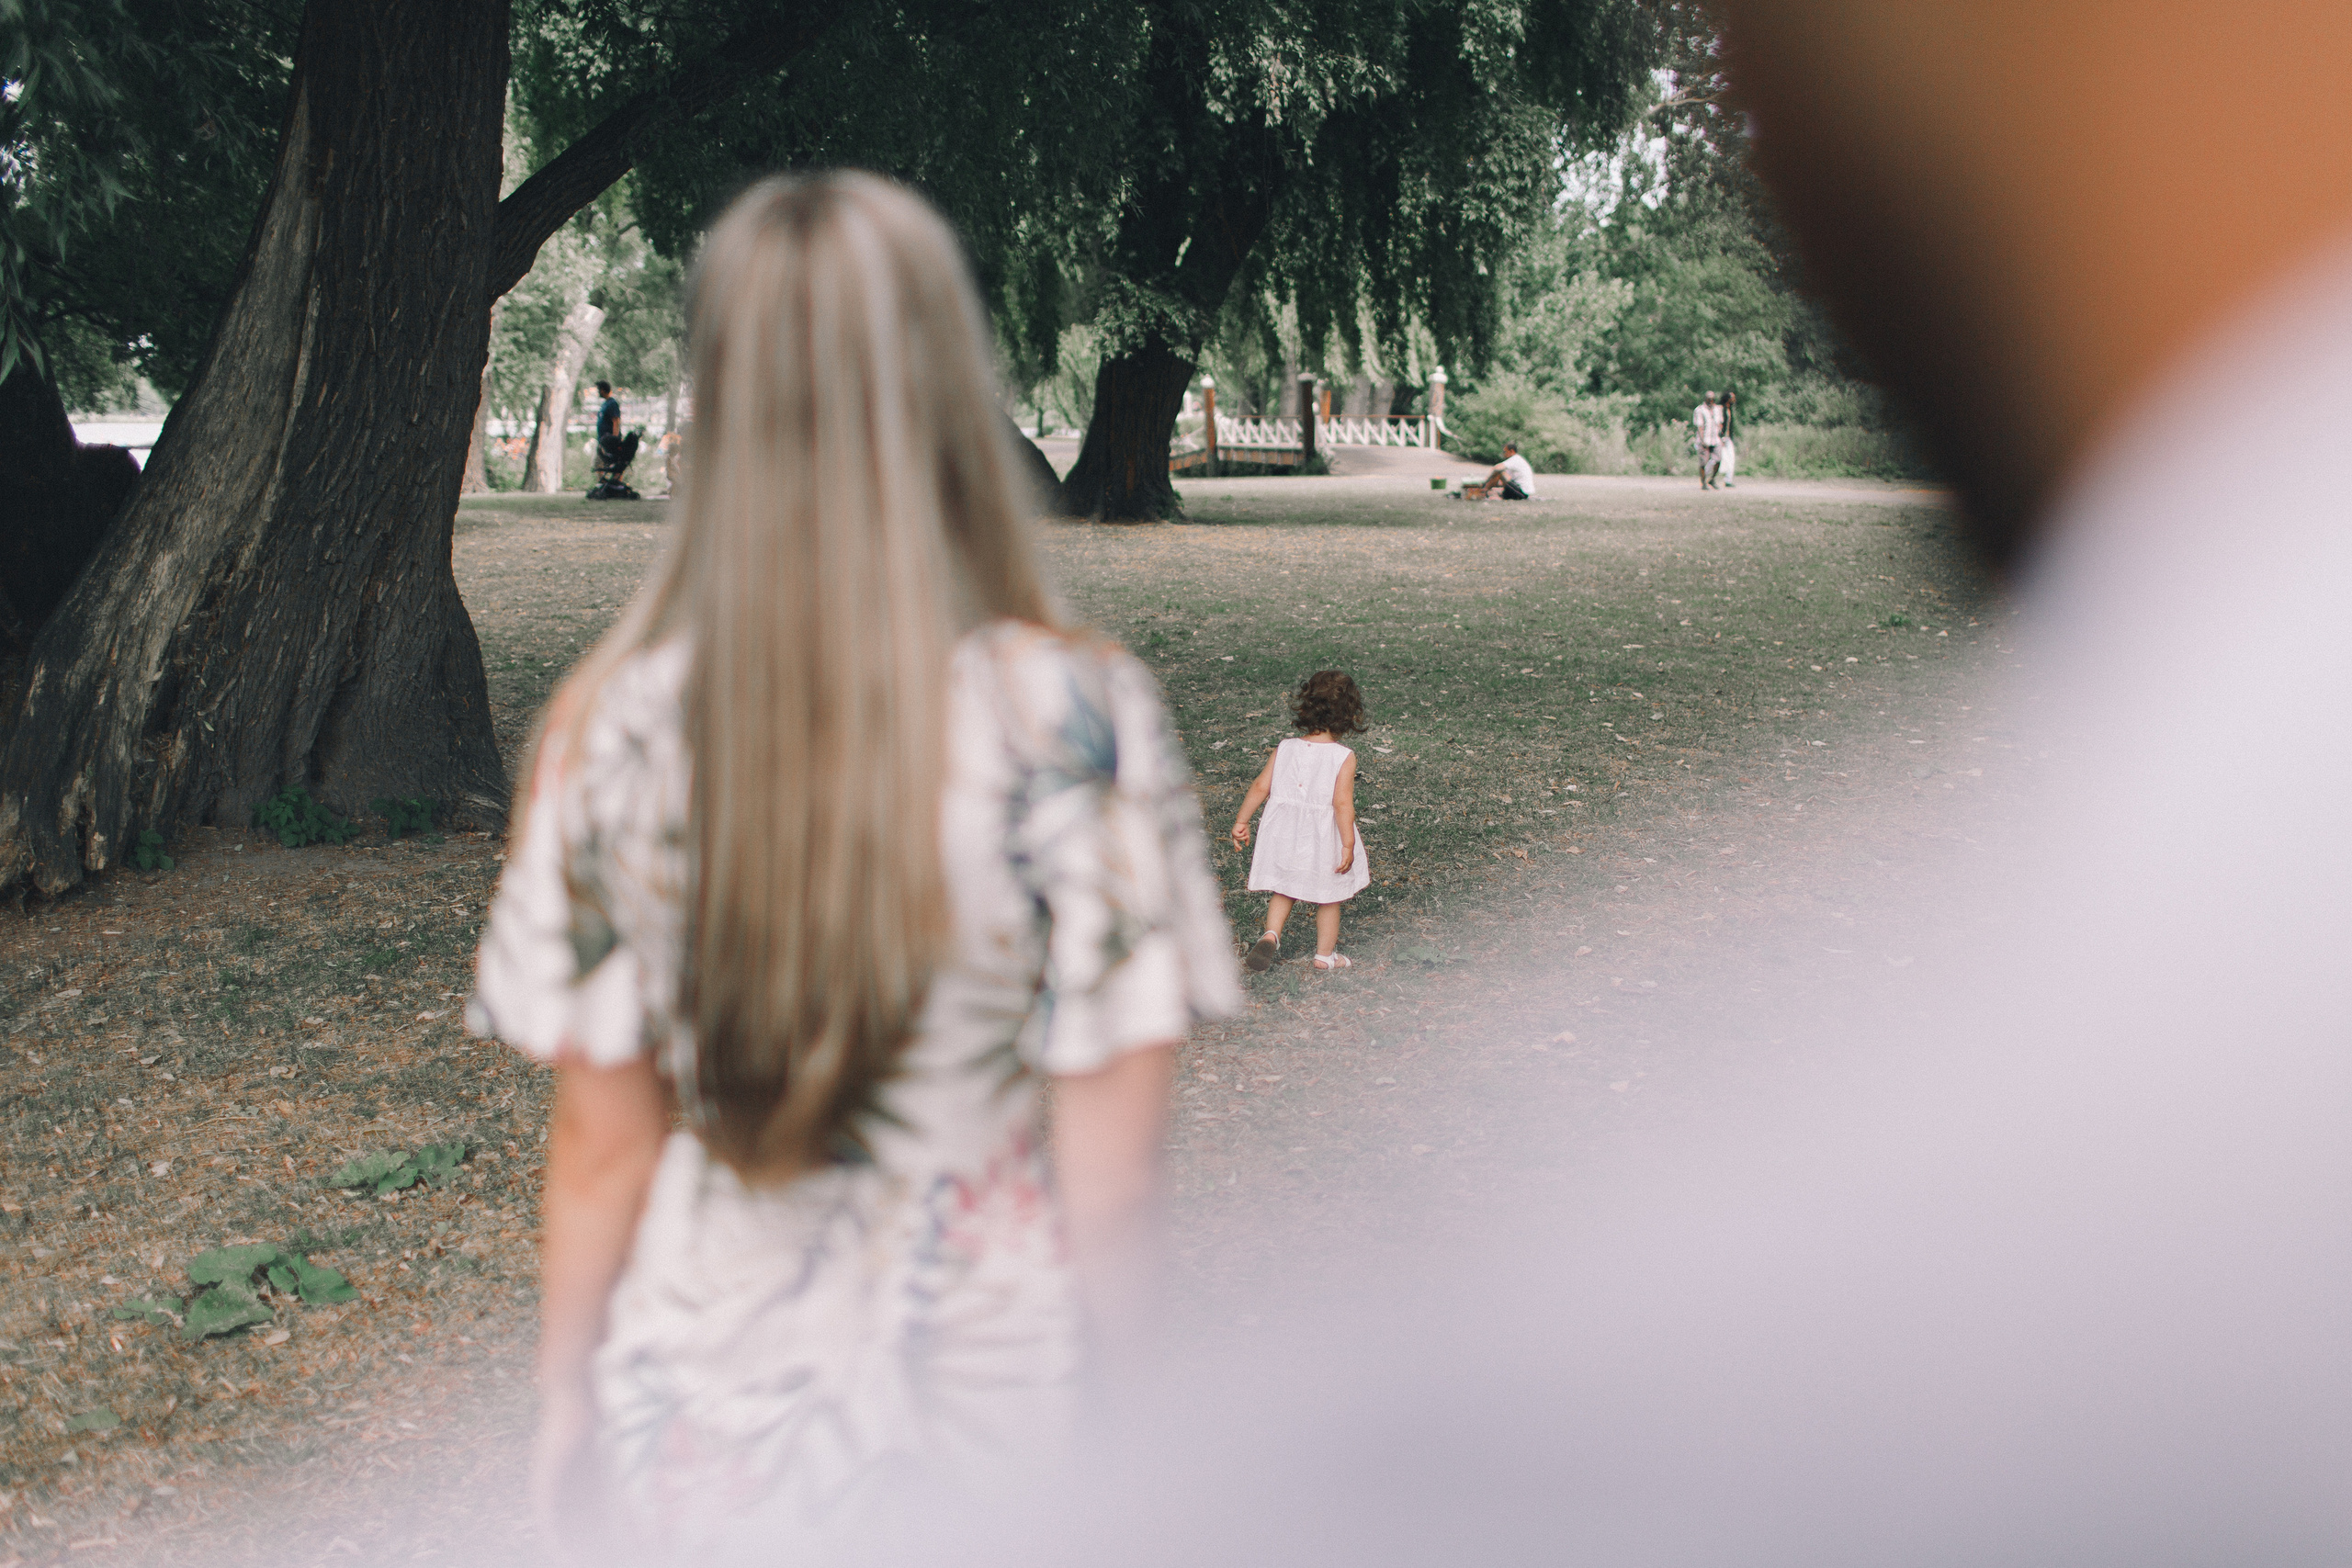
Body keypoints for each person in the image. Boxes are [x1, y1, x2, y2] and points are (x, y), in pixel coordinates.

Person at [464, 173, 1239, 1557]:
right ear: (948, 384)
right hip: (989, 1416)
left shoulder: (610, 725)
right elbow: (1112, 1176)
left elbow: (601, 1145)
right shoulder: (1077, 716)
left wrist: (565, 1401)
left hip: (703, 1414)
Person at [1229, 671, 1372, 972]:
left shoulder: (1286, 747)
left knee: (1285, 887)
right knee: (1330, 895)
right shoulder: (1342, 756)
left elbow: (1260, 786)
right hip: (1322, 837)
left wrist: (1242, 820)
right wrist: (1347, 843)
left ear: (1306, 706)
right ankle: (1324, 956)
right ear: (1349, 714)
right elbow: (1342, 804)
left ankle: (1271, 934)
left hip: (1285, 833)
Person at [1464, 442, 1536, 500]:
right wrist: (1492, 484)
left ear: (1511, 451)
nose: (1503, 454)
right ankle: (1484, 490)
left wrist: (1486, 480)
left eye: (1505, 452)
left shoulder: (1515, 459)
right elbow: (1504, 480)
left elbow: (1497, 468)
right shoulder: (1516, 460)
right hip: (1521, 491)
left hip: (1523, 493)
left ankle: (1483, 491)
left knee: (1499, 472)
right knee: (1499, 475)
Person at [1691, 391, 1725, 487]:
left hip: (1715, 438)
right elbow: (1700, 427)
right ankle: (1703, 482)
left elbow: (1720, 423)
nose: (1711, 401)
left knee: (1718, 460)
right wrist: (1702, 441)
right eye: (1709, 399)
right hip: (1705, 439)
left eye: (1712, 399)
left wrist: (1722, 436)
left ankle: (1712, 479)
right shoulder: (1699, 410)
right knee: (1703, 462)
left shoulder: (1718, 409)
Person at [1717, 389, 1738, 487]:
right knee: (1716, 459)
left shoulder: (1730, 410)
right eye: (1732, 398)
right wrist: (1720, 436)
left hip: (1728, 438)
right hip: (1721, 438)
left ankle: (1728, 480)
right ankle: (1707, 476)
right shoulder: (1721, 409)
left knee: (1731, 458)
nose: (1734, 399)